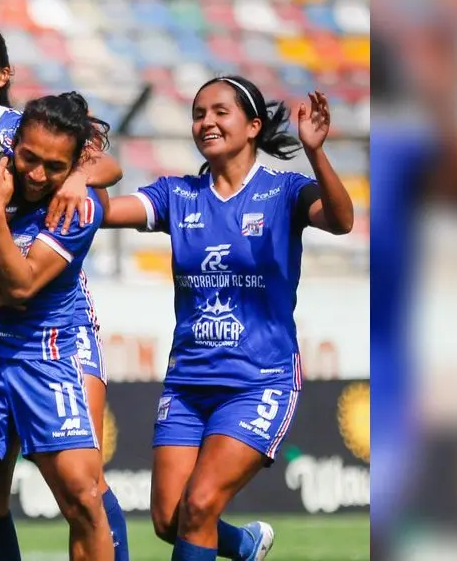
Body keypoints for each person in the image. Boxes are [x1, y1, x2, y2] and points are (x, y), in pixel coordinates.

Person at [101, 76, 354, 561]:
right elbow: (110, 213)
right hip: (187, 383)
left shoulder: (284, 191)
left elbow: (341, 220)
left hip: (259, 380)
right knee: (169, 520)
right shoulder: (178, 194)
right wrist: (74, 180)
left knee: (199, 504)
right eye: (198, 114)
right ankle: (244, 544)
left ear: (253, 125)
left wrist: (316, 154)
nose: (206, 122)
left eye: (220, 112)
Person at [0, 19, 130, 561]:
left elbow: (106, 164)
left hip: (53, 335)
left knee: (83, 487)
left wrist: (81, 175)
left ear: (4, 73)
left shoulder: (35, 128)